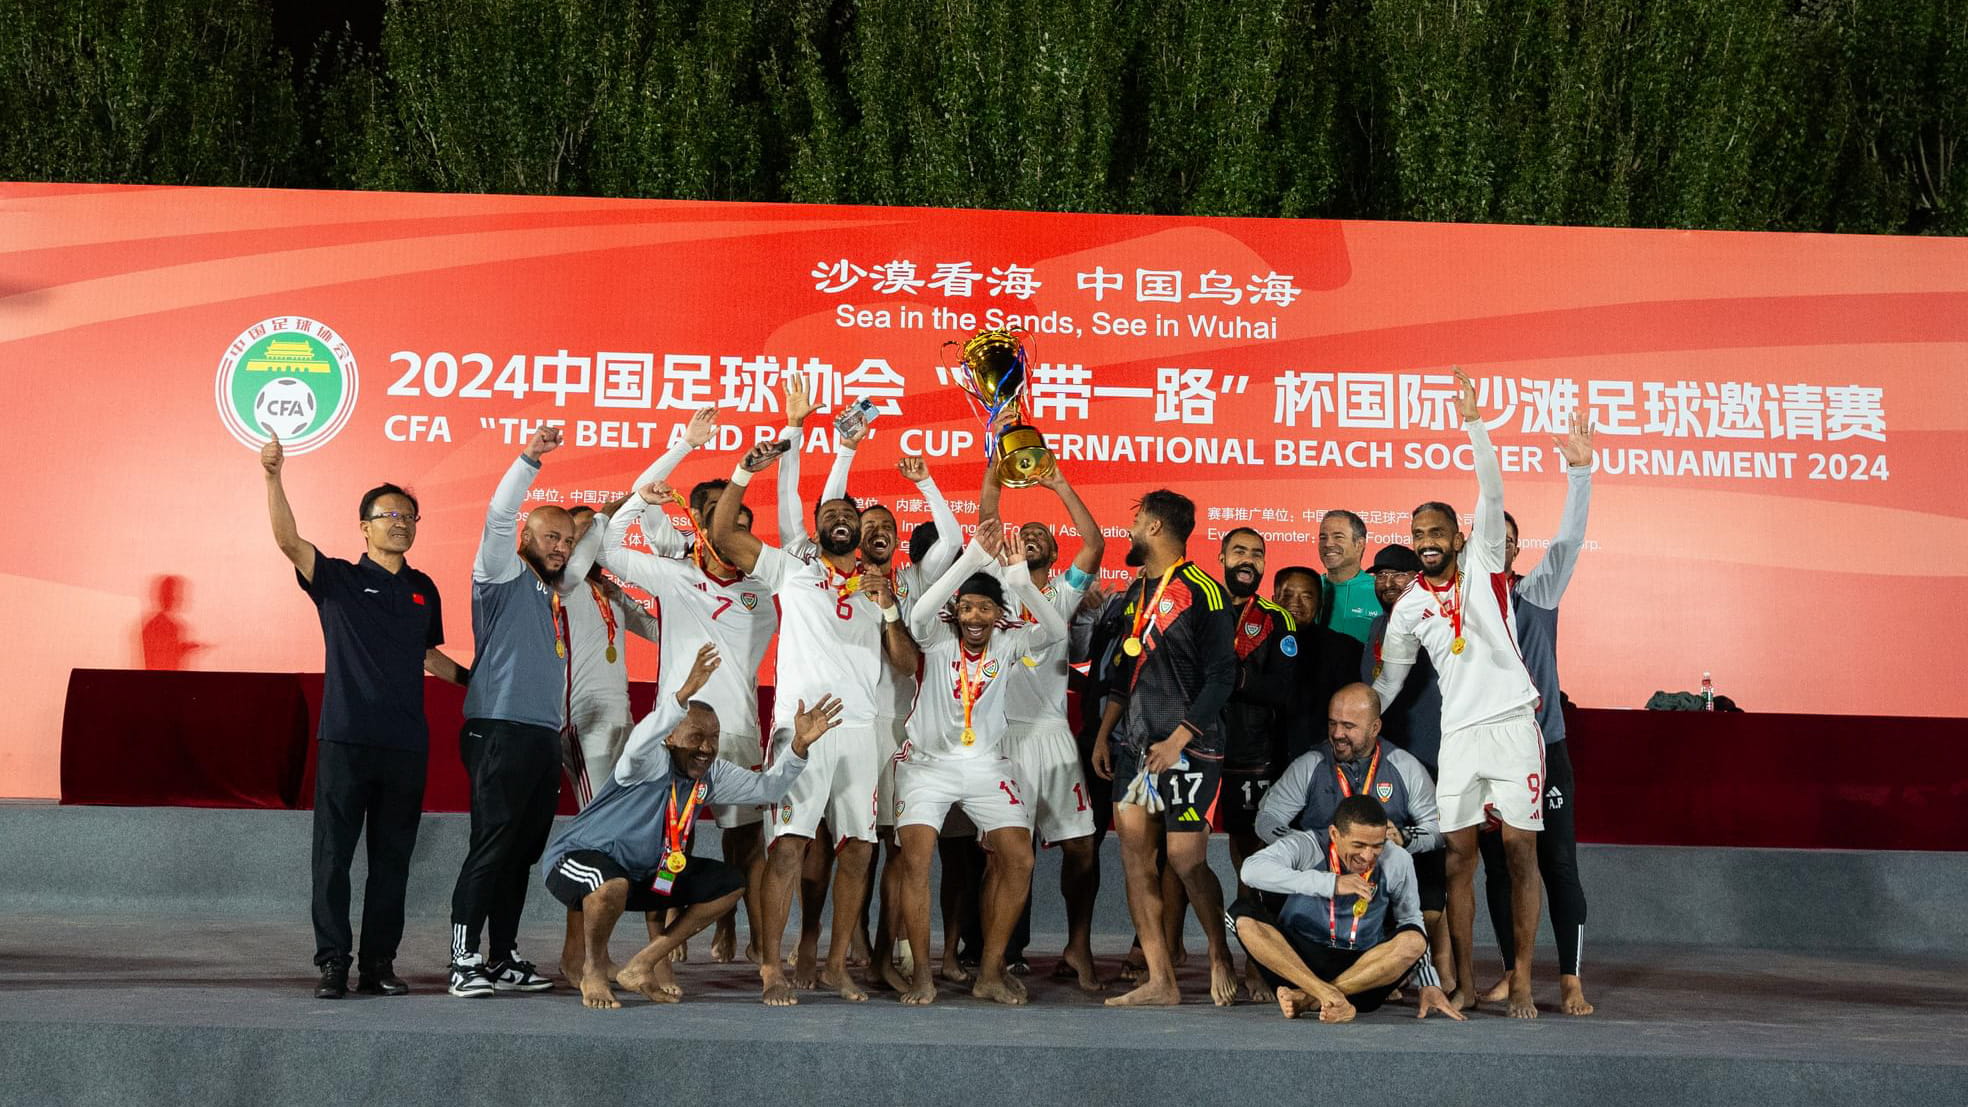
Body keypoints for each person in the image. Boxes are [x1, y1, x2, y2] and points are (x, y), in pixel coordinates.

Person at [260, 434, 469, 999]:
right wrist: (273, 476)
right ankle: (333, 962)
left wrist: (477, 684)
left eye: (409, 516)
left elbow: (428, 656)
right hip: (346, 740)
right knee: (332, 860)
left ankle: (378, 963)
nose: (401, 523)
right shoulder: (337, 579)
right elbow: (287, 539)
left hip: (405, 745)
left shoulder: (423, 588)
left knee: (392, 863)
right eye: (389, 515)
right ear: (365, 527)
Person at [1371, 368, 1546, 1019]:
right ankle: (1467, 983)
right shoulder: (1410, 605)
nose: (1426, 541)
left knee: (1520, 848)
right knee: (1460, 858)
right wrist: (1360, 715)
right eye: (1418, 534)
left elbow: (1492, 489)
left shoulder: (1485, 565)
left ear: (1459, 536)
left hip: (1511, 723)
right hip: (1461, 735)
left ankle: (1523, 978)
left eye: (1436, 531)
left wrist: (1475, 424)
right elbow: (1389, 679)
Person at [544, 643, 844, 1008]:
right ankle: (593, 970)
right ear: (671, 738)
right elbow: (641, 742)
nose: (706, 747)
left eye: (713, 738)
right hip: (577, 861)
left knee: (730, 884)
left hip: (642, 875)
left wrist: (797, 748)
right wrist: (682, 695)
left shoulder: (711, 774)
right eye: (696, 737)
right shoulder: (647, 762)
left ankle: (643, 963)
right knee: (609, 885)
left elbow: (769, 787)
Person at [708, 437, 889, 1006]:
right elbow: (724, 537)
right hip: (802, 730)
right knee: (787, 848)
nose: (839, 520)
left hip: (861, 733)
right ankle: (770, 967)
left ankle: (837, 965)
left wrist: (888, 608)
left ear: (860, 530)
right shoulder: (792, 570)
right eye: (828, 514)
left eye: (847, 515)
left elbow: (906, 658)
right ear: (815, 529)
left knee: (858, 849)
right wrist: (743, 472)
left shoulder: (877, 588)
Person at [602, 407, 782, 966]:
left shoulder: (765, 592)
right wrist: (682, 447)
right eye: (716, 519)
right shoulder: (674, 576)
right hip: (676, 733)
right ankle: (659, 939)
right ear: (700, 526)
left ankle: (735, 927)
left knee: (745, 843)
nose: (732, 532)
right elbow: (608, 544)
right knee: (666, 837)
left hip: (740, 733)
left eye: (741, 525)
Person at [447, 425, 602, 999]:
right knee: (493, 845)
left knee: (522, 852)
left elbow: (585, 533)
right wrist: (529, 461)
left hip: (539, 737)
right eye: (550, 536)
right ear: (525, 539)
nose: (561, 545)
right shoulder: (500, 574)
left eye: (567, 538)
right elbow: (497, 515)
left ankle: (503, 956)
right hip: (498, 731)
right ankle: (463, 960)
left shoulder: (549, 592)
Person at [889, 527, 1068, 1004]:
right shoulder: (934, 635)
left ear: (998, 614)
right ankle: (923, 974)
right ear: (956, 611)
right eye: (967, 607)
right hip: (926, 765)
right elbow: (923, 609)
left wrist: (1020, 582)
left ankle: (990, 971)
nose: (975, 616)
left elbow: (1056, 631)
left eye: (985, 608)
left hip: (986, 764)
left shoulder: (1010, 640)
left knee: (1019, 857)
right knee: (917, 861)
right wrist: (970, 560)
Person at [1090, 490, 1239, 1007]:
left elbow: (1224, 676)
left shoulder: (1204, 591)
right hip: (1134, 748)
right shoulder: (1136, 594)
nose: (1129, 532)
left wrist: (1179, 739)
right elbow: (1122, 672)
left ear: (1154, 527)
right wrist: (1106, 731)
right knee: (1136, 860)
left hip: (1189, 749)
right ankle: (1160, 979)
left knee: (1184, 859)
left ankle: (1220, 952)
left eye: (1135, 522)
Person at [1479, 417, 1597, 1016]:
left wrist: (1580, 472)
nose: (1494, 546)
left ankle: (1571, 977)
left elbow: (1570, 542)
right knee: (1500, 869)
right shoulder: (1461, 608)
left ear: (1514, 549)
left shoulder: (1537, 595)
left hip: (1545, 751)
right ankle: (1511, 970)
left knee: (1555, 865)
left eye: (1503, 539)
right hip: (1490, 757)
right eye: (1484, 537)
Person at [976, 462, 1106, 990]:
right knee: (1003, 855)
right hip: (1001, 739)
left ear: (1053, 555)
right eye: (1022, 533)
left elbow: (1094, 543)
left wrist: (1056, 484)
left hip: (1052, 737)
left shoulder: (1063, 596)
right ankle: (997, 956)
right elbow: (989, 517)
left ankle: (1078, 946)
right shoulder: (995, 596)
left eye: (1042, 536)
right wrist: (993, 470)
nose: (1030, 536)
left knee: (1081, 847)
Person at [1230, 795, 1461, 1022]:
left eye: (1377, 846)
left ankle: (1309, 998)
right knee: (1241, 915)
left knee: (1414, 940)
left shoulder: (1397, 859)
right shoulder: (1307, 845)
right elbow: (1251, 871)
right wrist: (1331, 883)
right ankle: (1325, 994)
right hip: (1298, 966)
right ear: (1335, 834)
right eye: (1358, 845)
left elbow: (1411, 921)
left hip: (1363, 974)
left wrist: (1429, 983)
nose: (1368, 856)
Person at [1357, 543, 1451, 988]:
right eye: (1380, 575)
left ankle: (1444, 974)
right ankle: (1400, 968)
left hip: (1433, 757)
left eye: (1398, 575)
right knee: (1391, 863)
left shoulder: (1436, 618)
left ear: (1418, 577)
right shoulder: (1378, 626)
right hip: (1385, 761)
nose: (1388, 584)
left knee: (1432, 863)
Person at [1254, 684, 1441, 861]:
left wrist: (1404, 837)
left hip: (1383, 876)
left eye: (1348, 726)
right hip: (1321, 878)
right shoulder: (1310, 764)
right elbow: (1268, 818)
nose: (1336, 734)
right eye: (1332, 723)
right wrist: (1303, 844)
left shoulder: (1404, 766)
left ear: (1375, 728)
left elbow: (1438, 828)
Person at [562, 502, 660, 807]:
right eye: (585, 530)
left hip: (622, 720)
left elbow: (658, 632)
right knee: (597, 814)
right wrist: (632, 499)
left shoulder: (611, 592)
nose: (595, 535)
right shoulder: (561, 586)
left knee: (620, 814)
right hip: (584, 722)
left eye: (597, 527)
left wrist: (672, 589)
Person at [1272, 565, 1364, 761]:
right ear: (1274, 600)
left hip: (1323, 759)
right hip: (1263, 759)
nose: (1295, 603)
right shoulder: (1257, 646)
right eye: (1287, 595)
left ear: (1320, 603)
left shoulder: (1344, 649)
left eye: (1306, 596)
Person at [1316, 510, 1378, 642]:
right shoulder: (1310, 590)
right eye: (1323, 537)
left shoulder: (1380, 591)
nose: (1328, 544)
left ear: (1359, 544)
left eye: (1338, 537)